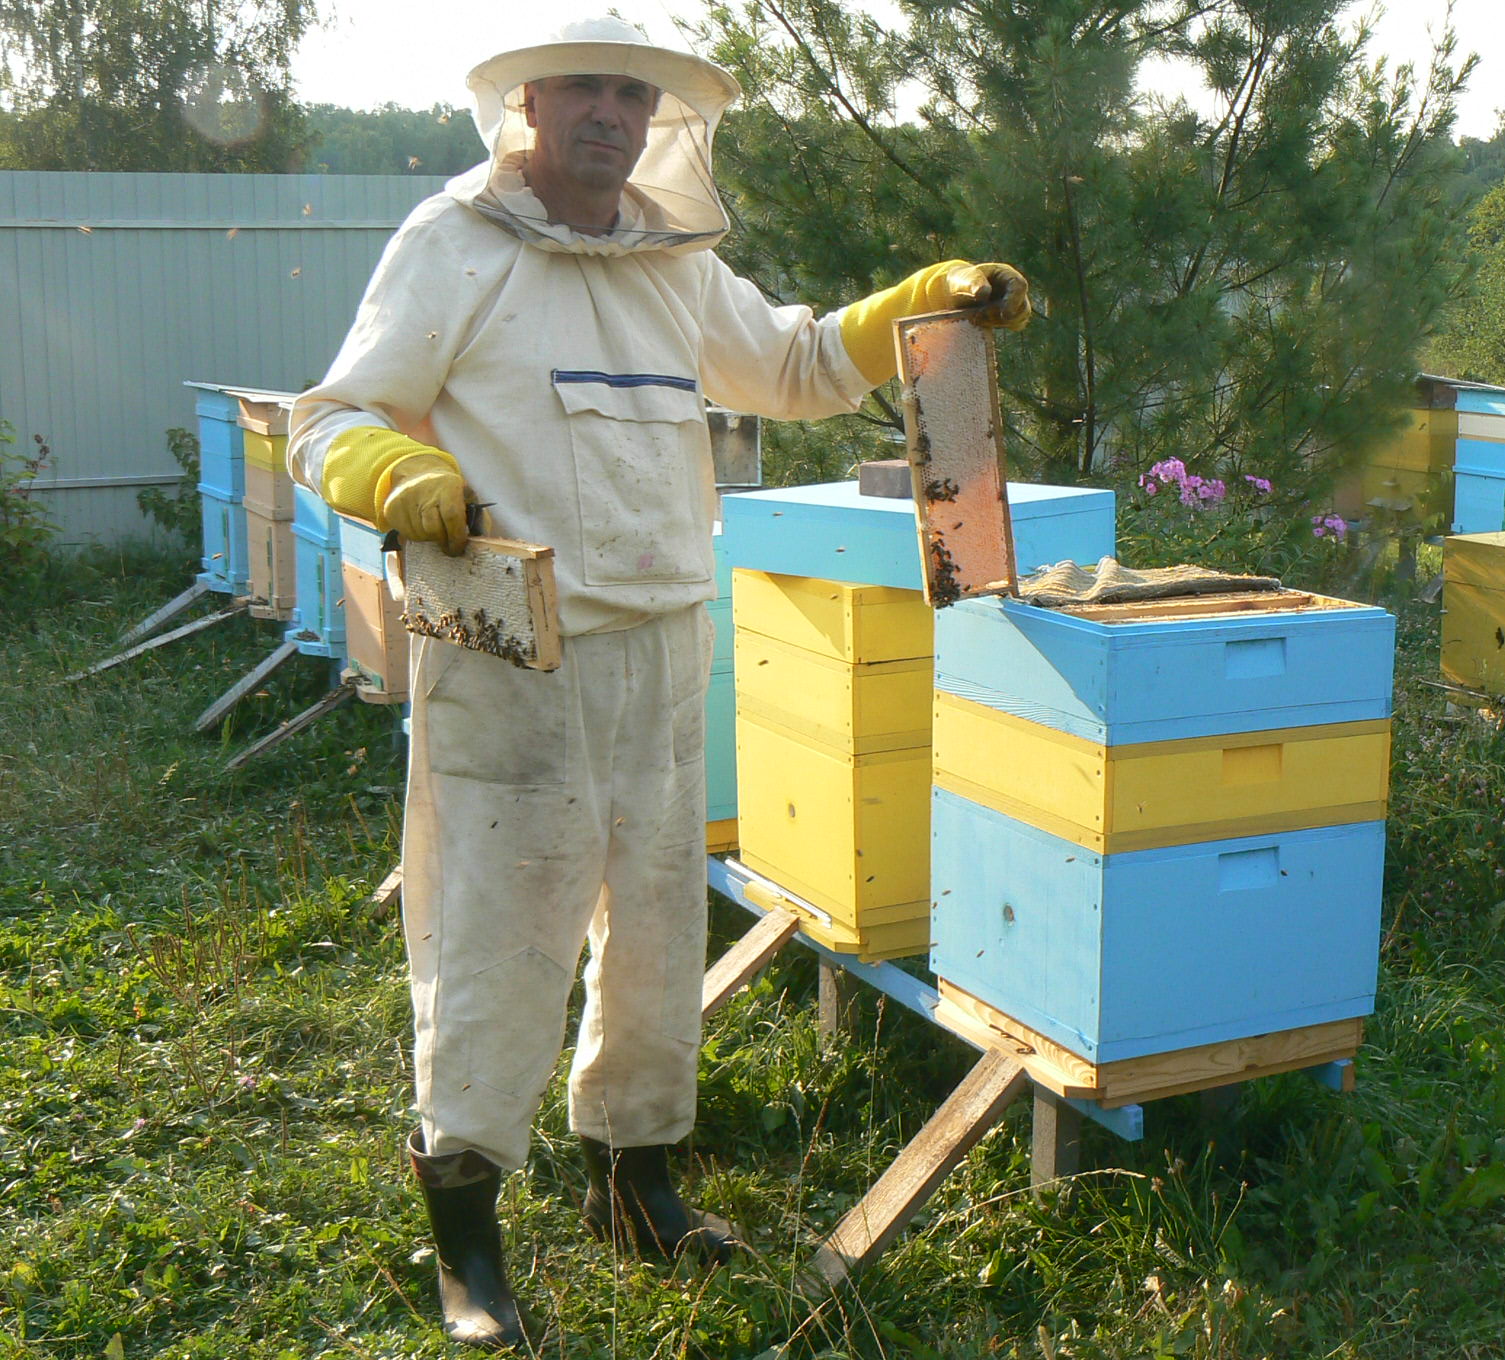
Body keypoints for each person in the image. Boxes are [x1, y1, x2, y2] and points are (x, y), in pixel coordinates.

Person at [288, 16, 1028, 1350]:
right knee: (498, 936)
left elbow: (795, 365)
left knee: (654, 937)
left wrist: (922, 304)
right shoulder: (454, 245)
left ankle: (637, 1185)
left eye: (635, 96)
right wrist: (395, 476)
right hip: (514, 653)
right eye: (588, 89)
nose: (612, 117)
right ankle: (464, 1236)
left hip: (665, 644)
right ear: (527, 101)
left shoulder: (671, 260)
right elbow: (329, 415)